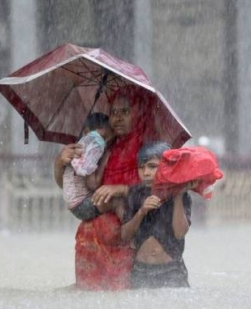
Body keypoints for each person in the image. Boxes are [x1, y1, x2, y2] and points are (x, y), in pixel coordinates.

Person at [54, 85, 159, 290]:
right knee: (90, 304)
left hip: (127, 238)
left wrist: (121, 189)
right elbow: (72, 189)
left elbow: (156, 189)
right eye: (113, 112)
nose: (118, 118)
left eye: (125, 112)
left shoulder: (147, 149)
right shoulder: (99, 146)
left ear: (138, 114)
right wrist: (60, 164)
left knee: (122, 301)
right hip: (91, 240)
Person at [120, 142, 196, 288]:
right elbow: (125, 235)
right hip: (141, 270)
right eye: (141, 167)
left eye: (152, 166)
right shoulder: (135, 193)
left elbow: (180, 233)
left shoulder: (181, 194)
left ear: (166, 167)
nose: (146, 172)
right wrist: (142, 211)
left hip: (172, 270)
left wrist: (178, 196)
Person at [62, 112, 122, 220]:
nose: (105, 143)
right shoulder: (88, 152)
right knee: (118, 202)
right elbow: (93, 184)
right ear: (86, 132)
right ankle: (130, 232)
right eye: (103, 137)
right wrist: (105, 159)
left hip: (75, 204)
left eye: (109, 141)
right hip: (82, 205)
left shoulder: (81, 146)